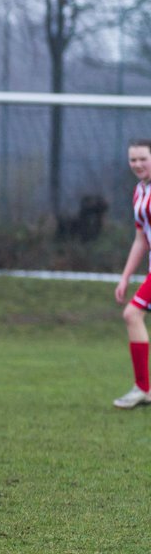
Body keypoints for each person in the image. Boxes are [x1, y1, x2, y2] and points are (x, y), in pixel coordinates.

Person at [112, 139, 151, 409]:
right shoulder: (139, 192)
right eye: (132, 159)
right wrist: (125, 276)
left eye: (143, 159)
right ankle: (143, 389)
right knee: (132, 314)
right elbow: (141, 239)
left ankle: (143, 388)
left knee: (131, 314)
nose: (137, 164)